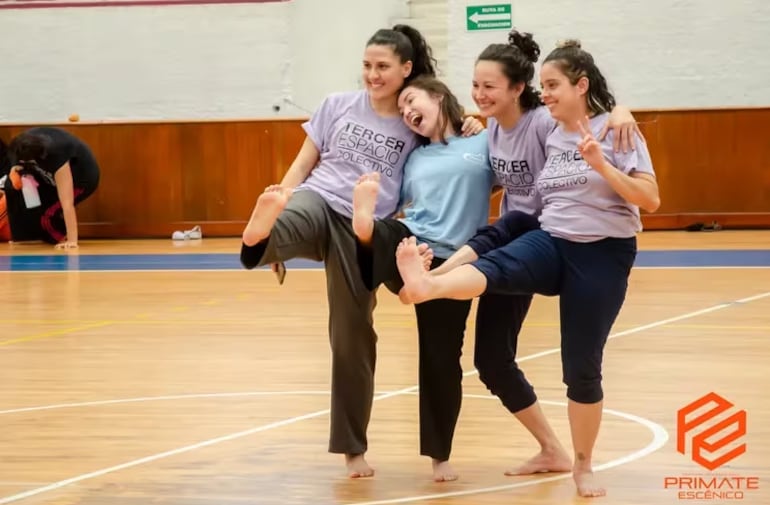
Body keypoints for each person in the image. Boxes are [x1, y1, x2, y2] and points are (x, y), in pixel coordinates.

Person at [393, 39, 660, 498]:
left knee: (580, 366)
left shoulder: (580, 127)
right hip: (546, 234)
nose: (478, 92)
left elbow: (650, 200)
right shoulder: (533, 131)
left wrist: (616, 118)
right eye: (473, 85)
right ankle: (429, 283)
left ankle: (582, 463)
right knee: (495, 280)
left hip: (598, 250)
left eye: (552, 85)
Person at [238, 25, 482, 478]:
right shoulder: (336, 105)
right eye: (368, 66)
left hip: (361, 227)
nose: (372, 75)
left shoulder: (413, 117)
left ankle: (353, 449)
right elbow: (304, 161)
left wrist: (471, 121)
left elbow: (451, 139)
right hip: (319, 199)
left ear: (406, 69)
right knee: (290, 214)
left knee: (351, 335)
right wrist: (282, 199)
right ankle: (264, 233)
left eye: (383, 67)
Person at [351, 75, 493, 482]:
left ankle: (440, 457)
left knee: (441, 359)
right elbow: (400, 205)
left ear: (440, 97)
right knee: (385, 234)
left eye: (412, 100)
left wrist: (477, 121)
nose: (407, 112)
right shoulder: (412, 157)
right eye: (402, 111)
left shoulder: (481, 143)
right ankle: (367, 231)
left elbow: (513, 173)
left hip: (452, 265)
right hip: (411, 246)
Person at [3, 127, 100, 249]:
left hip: (83, 178)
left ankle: (61, 235)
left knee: (47, 214)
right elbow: (15, 164)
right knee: (10, 186)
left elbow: (67, 203)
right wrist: (14, 171)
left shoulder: (57, 155)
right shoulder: (18, 144)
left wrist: (72, 241)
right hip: (48, 175)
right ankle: (23, 236)